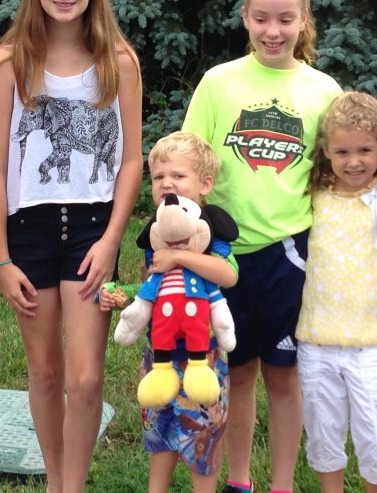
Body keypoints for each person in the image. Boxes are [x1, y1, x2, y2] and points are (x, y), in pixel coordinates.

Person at [0, 0, 142, 493]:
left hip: (93, 230)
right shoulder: (9, 63)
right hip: (29, 229)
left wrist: (112, 241)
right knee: (46, 373)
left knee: (87, 378)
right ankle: (55, 481)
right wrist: (1, 259)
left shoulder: (118, 61)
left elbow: (130, 161)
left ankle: (73, 486)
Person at [183, 0, 343, 493]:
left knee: (283, 375)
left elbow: (335, 174)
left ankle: (282, 484)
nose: (273, 31)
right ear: (245, 17)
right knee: (237, 373)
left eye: (285, 19)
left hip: (289, 254)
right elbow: (189, 162)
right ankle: (239, 480)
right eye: (262, 19)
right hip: (224, 255)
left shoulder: (324, 91)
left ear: (304, 21)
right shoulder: (218, 83)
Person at [296, 92, 377, 493]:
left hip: (369, 345)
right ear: (326, 150)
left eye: (365, 150)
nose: (354, 161)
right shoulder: (312, 196)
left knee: (376, 438)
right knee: (324, 436)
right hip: (315, 341)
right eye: (343, 152)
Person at [100, 131, 239, 493]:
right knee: (159, 432)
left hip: (204, 356)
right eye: (159, 176)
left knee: (203, 437)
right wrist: (122, 296)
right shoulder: (155, 234)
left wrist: (179, 256)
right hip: (158, 353)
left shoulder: (212, 232)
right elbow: (153, 288)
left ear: (204, 184)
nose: (166, 183)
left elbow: (228, 275)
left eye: (178, 175)